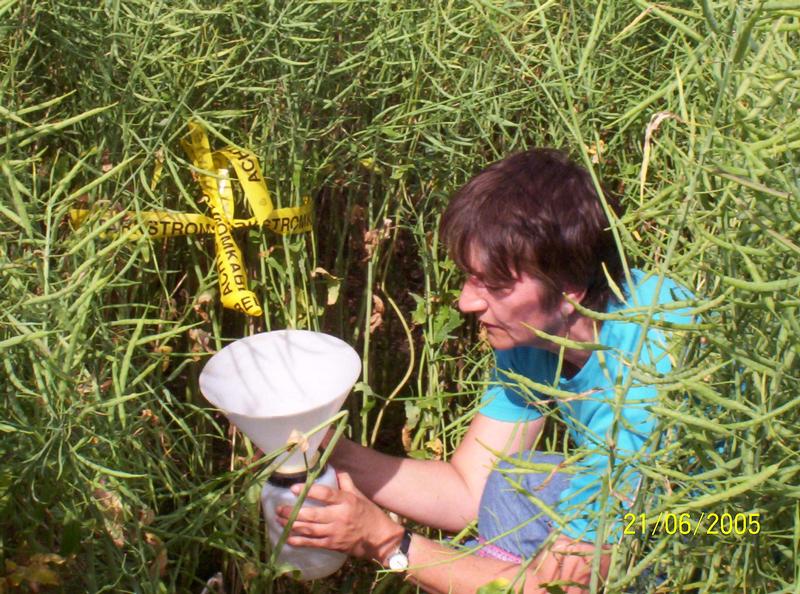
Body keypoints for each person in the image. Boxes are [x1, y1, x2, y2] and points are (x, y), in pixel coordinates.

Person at [276, 149, 692, 593]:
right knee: (513, 485)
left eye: (493, 284)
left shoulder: (655, 358)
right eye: (468, 277)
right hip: (649, 512)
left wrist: (387, 543)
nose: (466, 302)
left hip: (719, 531)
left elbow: (566, 588)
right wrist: (321, 445)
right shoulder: (535, 333)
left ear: (569, 286)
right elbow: (467, 492)